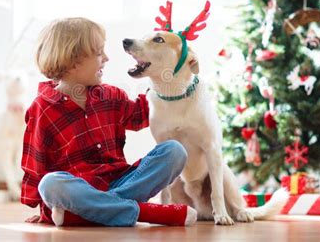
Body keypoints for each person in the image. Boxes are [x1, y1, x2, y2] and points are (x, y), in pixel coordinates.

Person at [21, 17, 196, 227]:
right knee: (50, 184)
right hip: (78, 192)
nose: (106, 58)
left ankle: (92, 212)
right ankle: (143, 212)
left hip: (122, 182)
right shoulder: (43, 108)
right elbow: (35, 164)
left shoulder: (111, 96)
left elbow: (142, 114)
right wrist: (41, 204)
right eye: (98, 53)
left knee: (174, 151)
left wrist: (173, 77)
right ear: (73, 60)